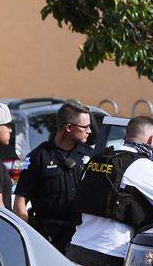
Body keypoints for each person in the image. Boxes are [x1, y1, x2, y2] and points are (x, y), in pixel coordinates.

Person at [67, 117, 153, 266]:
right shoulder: (142, 165)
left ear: (126, 135)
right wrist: (145, 234)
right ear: (151, 140)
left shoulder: (98, 159)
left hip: (76, 248)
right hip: (110, 253)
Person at [14, 99, 94, 252]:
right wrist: (25, 236)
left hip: (81, 237)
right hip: (49, 239)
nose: (89, 131)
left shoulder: (89, 155)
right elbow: (20, 201)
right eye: (85, 127)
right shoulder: (38, 157)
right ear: (69, 128)